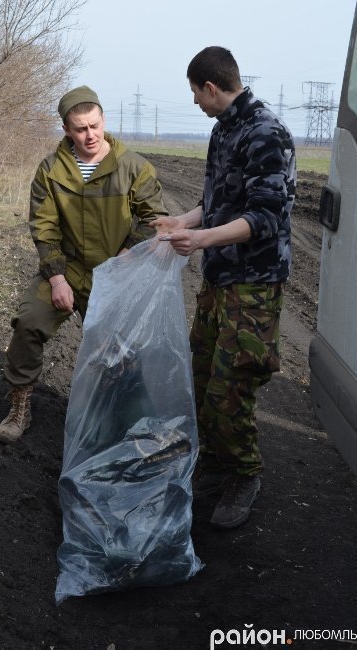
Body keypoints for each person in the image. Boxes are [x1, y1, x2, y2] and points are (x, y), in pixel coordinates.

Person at [152, 47, 296, 529]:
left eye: (195, 92)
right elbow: (217, 200)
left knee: (229, 389)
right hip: (218, 281)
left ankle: (244, 474)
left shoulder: (266, 133)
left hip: (253, 286)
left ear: (211, 87)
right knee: (200, 379)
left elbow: (265, 218)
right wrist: (184, 221)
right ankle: (214, 465)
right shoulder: (224, 130)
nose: (194, 101)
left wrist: (200, 240)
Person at [0, 85, 168, 444]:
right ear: (67, 130)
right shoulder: (51, 170)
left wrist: (125, 257)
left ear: (103, 120)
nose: (90, 135)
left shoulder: (133, 167)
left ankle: (123, 417)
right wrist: (57, 278)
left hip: (115, 270)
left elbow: (154, 219)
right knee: (29, 321)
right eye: (80, 129)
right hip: (68, 267)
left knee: (121, 347)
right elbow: (44, 227)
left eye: (95, 126)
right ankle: (20, 405)